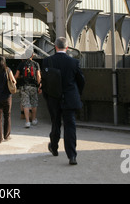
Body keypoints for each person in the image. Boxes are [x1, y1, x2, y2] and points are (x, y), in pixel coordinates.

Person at [40, 37, 85, 165]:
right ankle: (72, 156)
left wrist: (47, 96)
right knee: (70, 126)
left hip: (54, 98)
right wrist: (76, 93)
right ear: (67, 47)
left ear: (55, 47)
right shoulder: (74, 62)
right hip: (70, 98)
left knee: (55, 123)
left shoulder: (47, 61)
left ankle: (54, 147)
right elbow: (81, 81)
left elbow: (45, 81)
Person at [15, 50, 41, 128]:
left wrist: (21, 77)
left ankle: (27, 122)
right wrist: (39, 85)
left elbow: (16, 76)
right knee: (34, 103)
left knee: (26, 104)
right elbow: (38, 76)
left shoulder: (21, 64)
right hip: (33, 86)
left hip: (24, 87)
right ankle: (33, 120)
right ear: (32, 55)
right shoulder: (36, 64)